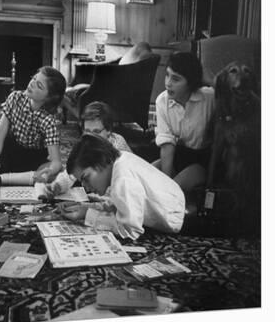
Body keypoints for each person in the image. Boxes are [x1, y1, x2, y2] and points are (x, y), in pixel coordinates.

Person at [58, 134, 185, 240]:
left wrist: (88, 216)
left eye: (86, 178)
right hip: (176, 206)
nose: (85, 186)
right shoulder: (120, 160)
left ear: (101, 161)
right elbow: (119, 205)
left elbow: (129, 230)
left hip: (179, 223)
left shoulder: (122, 178)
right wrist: (86, 208)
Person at [0, 66, 67, 185]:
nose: (32, 84)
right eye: (34, 79)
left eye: (39, 86)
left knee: (54, 174)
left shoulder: (48, 120)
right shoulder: (15, 98)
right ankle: (5, 177)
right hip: (5, 154)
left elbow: (56, 162)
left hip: (32, 161)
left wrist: (50, 171)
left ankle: (3, 180)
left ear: (49, 97)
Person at [152, 52, 215, 191]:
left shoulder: (209, 98)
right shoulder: (162, 101)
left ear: (190, 83)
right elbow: (167, 146)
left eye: (176, 79)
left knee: (173, 189)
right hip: (177, 155)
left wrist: (211, 80)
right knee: (146, 175)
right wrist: (165, 181)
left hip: (202, 161)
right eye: (167, 75)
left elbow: (230, 95)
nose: (168, 83)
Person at [44, 101, 132, 198]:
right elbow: (74, 170)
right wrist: (58, 185)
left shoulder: (117, 148)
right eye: (87, 131)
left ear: (109, 130)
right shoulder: (87, 143)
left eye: (96, 131)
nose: (91, 137)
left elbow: (122, 188)